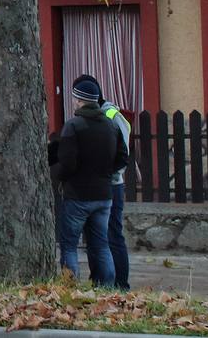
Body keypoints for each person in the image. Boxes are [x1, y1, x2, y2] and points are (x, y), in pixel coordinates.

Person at [51, 76, 127, 287]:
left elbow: (67, 162)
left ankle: (70, 287)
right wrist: (105, 174)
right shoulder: (111, 125)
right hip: (104, 195)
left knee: (69, 245)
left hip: (78, 195)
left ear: (79, 100)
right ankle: (108, 288)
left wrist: (63, 179)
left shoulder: (73, 126)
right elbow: (122, 157)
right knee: (101, 244)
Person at [76, 74, 132, 290]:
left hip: (112, 185)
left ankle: (120, 284)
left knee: (112, 235)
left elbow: (122, 154)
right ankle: (100, 282)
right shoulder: (90, 117)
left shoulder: (112, 115)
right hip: (97, 184)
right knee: (95, 236)